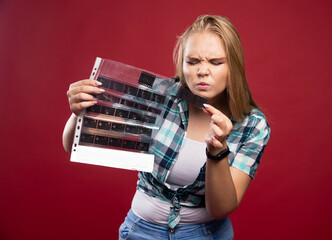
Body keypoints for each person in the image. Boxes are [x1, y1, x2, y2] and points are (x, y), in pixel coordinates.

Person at [63, 15, 270, 240]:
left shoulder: (253, 124)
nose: (202, 71)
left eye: (216, 62)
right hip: (141, 230)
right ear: (182, 64)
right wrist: (80, 112)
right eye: (193, 62)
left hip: (205, 234)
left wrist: (217, 151)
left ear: (234, 66)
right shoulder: (160, 95)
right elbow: (73, 144)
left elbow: (220, 208)